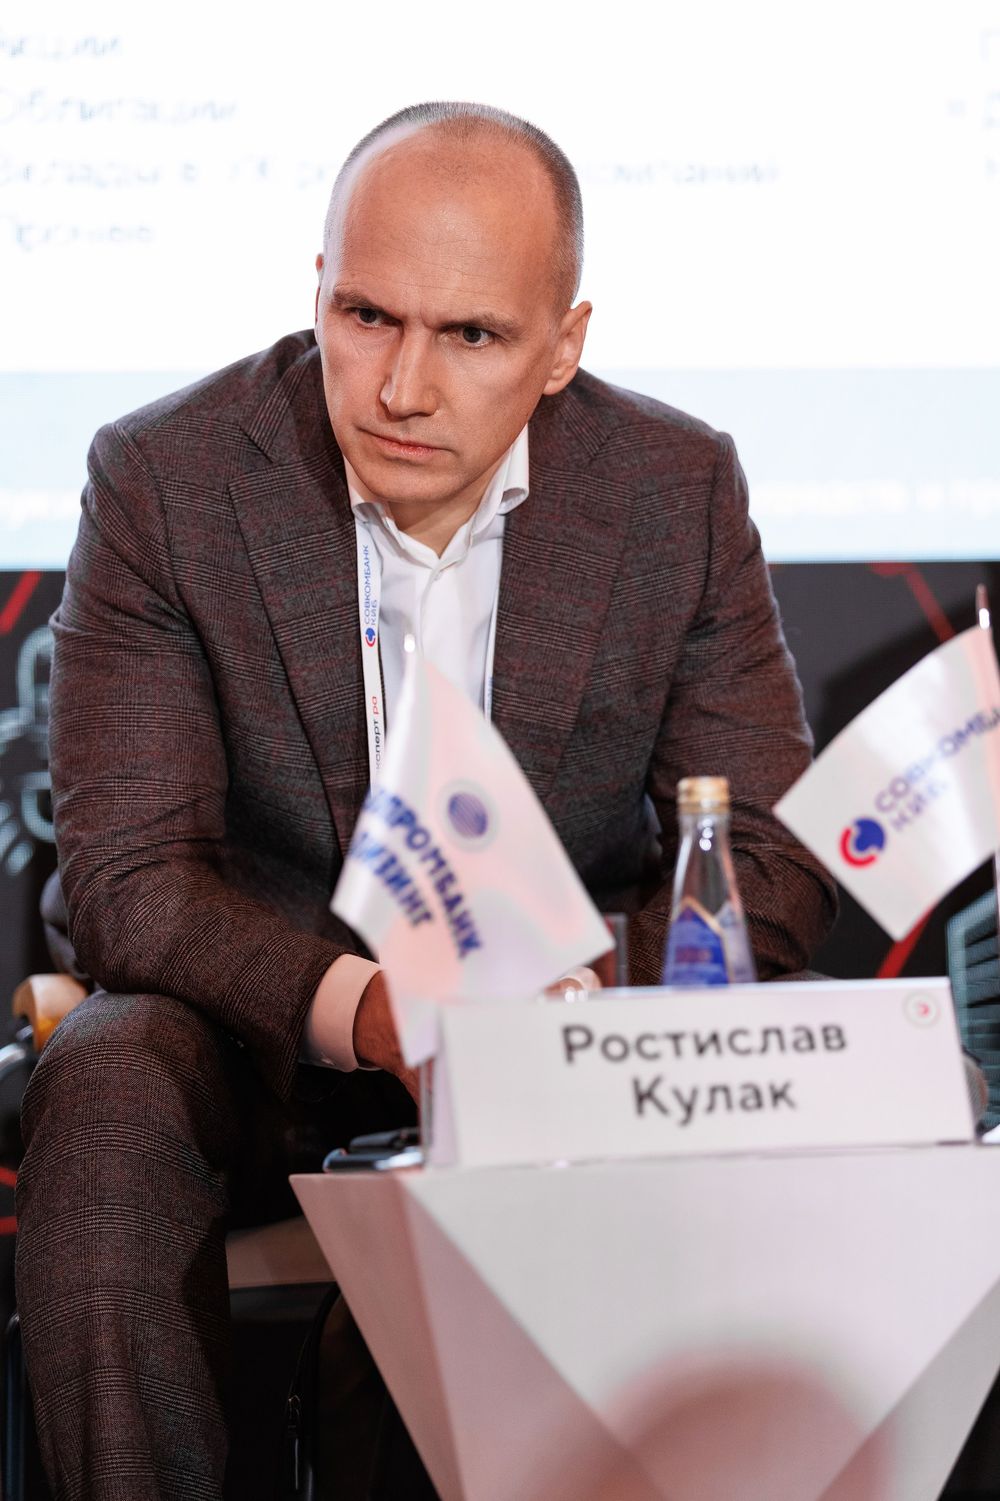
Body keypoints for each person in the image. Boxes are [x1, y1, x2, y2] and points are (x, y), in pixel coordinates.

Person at [16, 101, 836, 1500]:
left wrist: (560, 1005)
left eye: (471, 335)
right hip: (260, 1042)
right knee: (105, 1077)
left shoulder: (673, 487)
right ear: (318, 293)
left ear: (563, 345)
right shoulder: (167, 477)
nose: (402, 387)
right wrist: (375, 1011)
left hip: (560, 1049)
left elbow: (765, 857)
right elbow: (130, 876)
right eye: (367, 316)